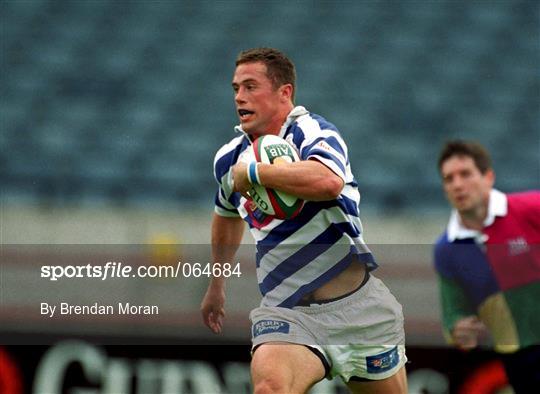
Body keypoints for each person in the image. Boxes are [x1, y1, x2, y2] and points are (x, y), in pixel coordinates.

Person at [200, 47, 407, 394]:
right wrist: (217, 282)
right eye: (235, 88)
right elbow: (225, 215)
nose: (239, 97)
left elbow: (328, 182)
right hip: (289, 312)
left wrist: (255, 173)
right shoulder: (228, 159)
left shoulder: (312, 132)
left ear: (285, 93)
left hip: (359, 309)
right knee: (270, 387)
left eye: (251, 87)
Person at [433, 140, 540, 393]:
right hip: (519, 360)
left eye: (465, 174)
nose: (457, 184)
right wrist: (459, 331)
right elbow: (453, 313)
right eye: (449, 179)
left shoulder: (532, 208)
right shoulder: (446, 250)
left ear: (488, 177)